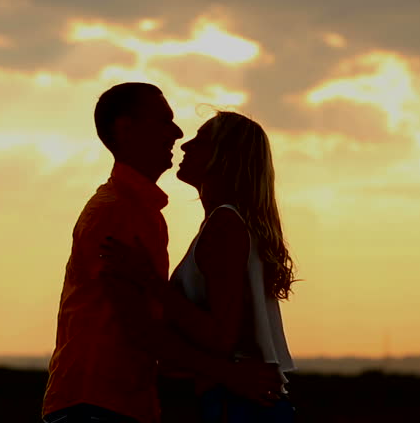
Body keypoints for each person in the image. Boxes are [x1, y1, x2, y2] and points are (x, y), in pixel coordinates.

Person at [41, 84, 282, 423]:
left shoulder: (148, 212)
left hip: (114, 403)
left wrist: (154, 285)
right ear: (127, 129)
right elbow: (138, 327)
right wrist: (230, 374)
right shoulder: (118, 212)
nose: (179, 134)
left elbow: (192, 328)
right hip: (98, 403)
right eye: (164, 120)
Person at [101, 111, 297, 422]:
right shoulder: (233, 224)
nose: (185, 145)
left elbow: (221, 337)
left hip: (237, 403)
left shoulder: (225, 225)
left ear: (224, 157)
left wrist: (150, 281)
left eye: (201, 140)